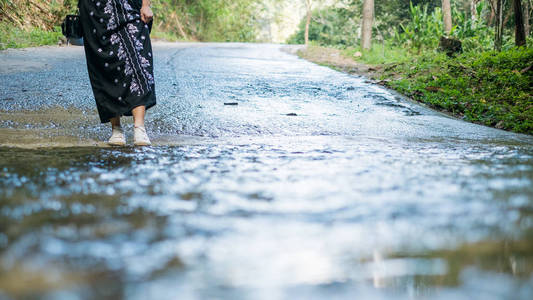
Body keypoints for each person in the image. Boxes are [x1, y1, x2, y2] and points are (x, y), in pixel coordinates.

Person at [79, 0, 156, 146]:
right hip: (95, 11)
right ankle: (116, 129)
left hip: (129, 7)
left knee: (138, 62)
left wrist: (145, 5)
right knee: (105, 66)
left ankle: (139, 128)